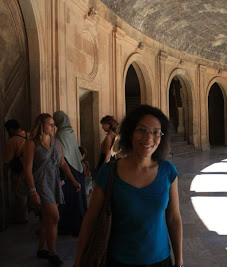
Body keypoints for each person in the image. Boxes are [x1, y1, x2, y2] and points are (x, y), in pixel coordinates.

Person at [74, 105, 183, 267]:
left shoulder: (168, 172)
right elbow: (91, 219)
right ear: (130, 132)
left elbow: (174, 218)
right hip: (118, 260)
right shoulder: (108, 172)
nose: (148, 138)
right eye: (142, 130)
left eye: (155, 132)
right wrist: (78, 261)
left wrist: (179, 261)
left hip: (160, 260)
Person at [24, 113, 81, 266]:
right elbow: (27, 169)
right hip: (41, 184)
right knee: (55, 218)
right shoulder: (32, 144)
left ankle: (41, 249)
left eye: (54, 124)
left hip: (54, 182)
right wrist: (32, 190)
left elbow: (62, 163)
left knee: (46, 219)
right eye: (50, 124)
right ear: (41, 125)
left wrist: (74, 180)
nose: (53, 127)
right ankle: (52, 253)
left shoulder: (56, 142)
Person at [53, 111, 87, 236]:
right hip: (77, 167)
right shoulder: (70, 131)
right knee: (77, 199)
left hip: (68, 169)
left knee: (68, 199)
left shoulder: (60, 133)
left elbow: (62, 156)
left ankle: (69, 226)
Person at [3, 119, 29, 224]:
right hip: (33, 168)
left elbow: (6, 160)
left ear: (11, 130)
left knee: (21, 195)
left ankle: (23, 218)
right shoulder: (30, 135)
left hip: (21, 172)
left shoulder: (13, 141)